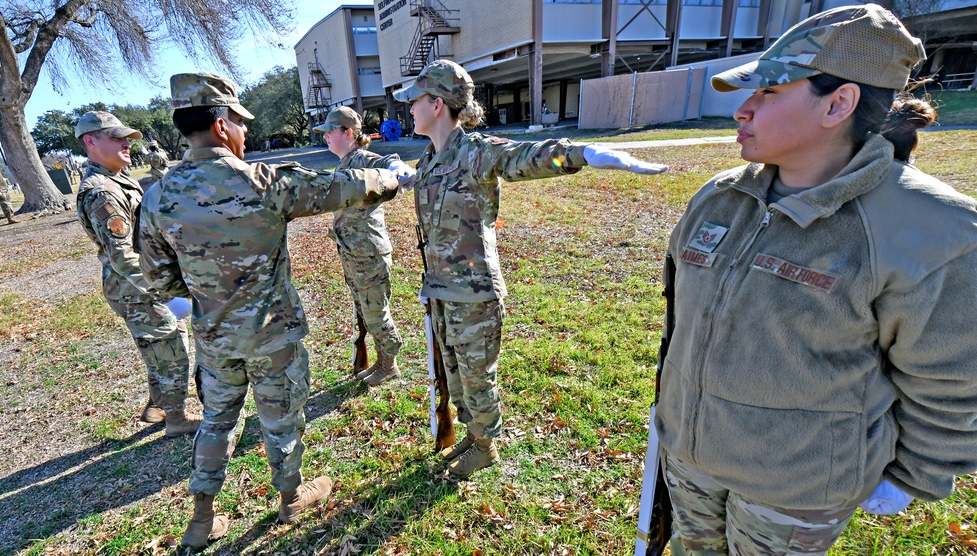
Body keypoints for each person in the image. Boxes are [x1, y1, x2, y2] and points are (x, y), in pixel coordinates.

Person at [655, 5, 977, 554]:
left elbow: (952, 379)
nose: (744, 111)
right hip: (690, 458)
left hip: (796, 488)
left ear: (839, 103)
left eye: (769, 94)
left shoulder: (930, 227)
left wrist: (913, 476)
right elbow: (679, 325)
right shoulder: (720, 196)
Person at [136, 72, 410, 548]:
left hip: (215, 340)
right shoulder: (263, 181)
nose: (244, 132)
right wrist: (393, 177)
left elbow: (159, 282)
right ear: (222, 125)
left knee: (219, 421)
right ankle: (290, 498)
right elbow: (342, 187)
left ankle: (201, 519)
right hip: (272, 336)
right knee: (280, 419)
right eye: (240, 123)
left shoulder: (158, 195)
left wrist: (206, 304)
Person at [393, 59, 668, 478]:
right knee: (455, 371)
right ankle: (472, 433)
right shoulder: (430, 160)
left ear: (436, 104)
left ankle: (485, 447)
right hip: (442, 290)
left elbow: (526, 156)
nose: (408, 109)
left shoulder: (476, 152)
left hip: (474, 292)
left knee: (476, 375)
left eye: (414, 101)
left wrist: (582, 154)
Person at [73, 111, 200, 437]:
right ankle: (175, 420)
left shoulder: (117, 178)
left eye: (126, 137)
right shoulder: (102, 191)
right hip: (136, 287)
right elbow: (122, 256)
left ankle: (157, 408)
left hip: (141, 284)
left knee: (163, 345)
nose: (126, 143)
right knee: (171, 350)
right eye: (116, 137)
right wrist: (164, 291)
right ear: (91, 142)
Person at [314, 107, 404, 386]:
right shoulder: (344, 162)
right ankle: (381, 360)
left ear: (348, 132)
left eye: (331, 131)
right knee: (365, 310)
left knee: (376, 312)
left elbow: (388, 161)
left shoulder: (362, 159)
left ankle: (389, 364)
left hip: (368, 252)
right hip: (353, 253)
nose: (326, 136)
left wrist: (396, 167)